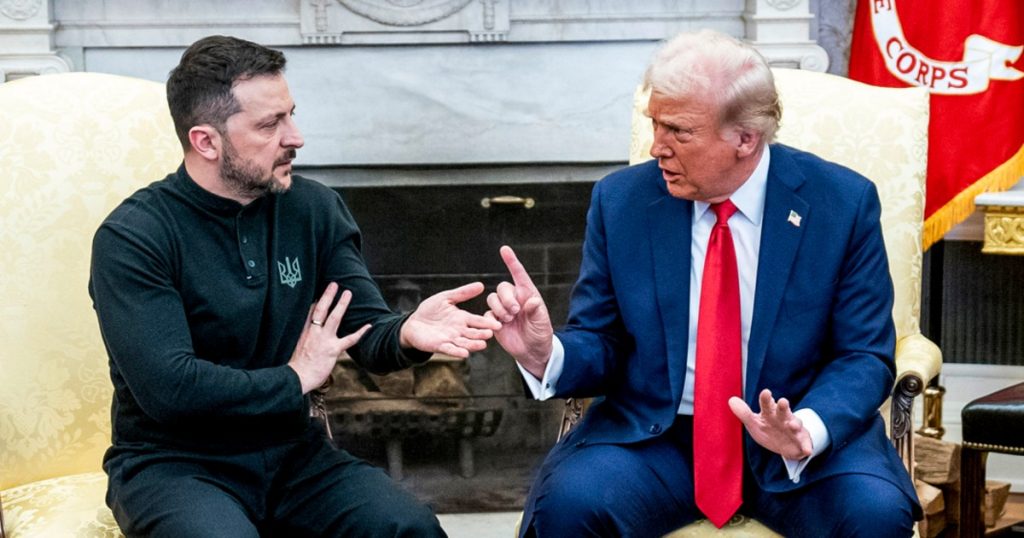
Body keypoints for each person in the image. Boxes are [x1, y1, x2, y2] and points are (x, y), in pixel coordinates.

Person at [486, 29, 922, 537]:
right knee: (567, 506)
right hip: (658, 438)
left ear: (745, 138)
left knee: (874, 514)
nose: (657, 148)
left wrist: (808, 427)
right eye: (655, 124)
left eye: (678, 131)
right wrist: (547, 355)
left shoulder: (841, 203)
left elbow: (863, 355)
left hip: (797, 439)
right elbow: (603, 339)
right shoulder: (622, 202)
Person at [88, 35, 501, 538]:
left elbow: (364, 331)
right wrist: (294, 377)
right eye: (270, 125)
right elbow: (171, 390)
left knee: (407, 526)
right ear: (206, 142)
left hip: (292, 455)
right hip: (173, 465)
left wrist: (407, 332)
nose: (296, 137)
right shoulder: (134, 237)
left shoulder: (313, 210)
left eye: (291, 115)